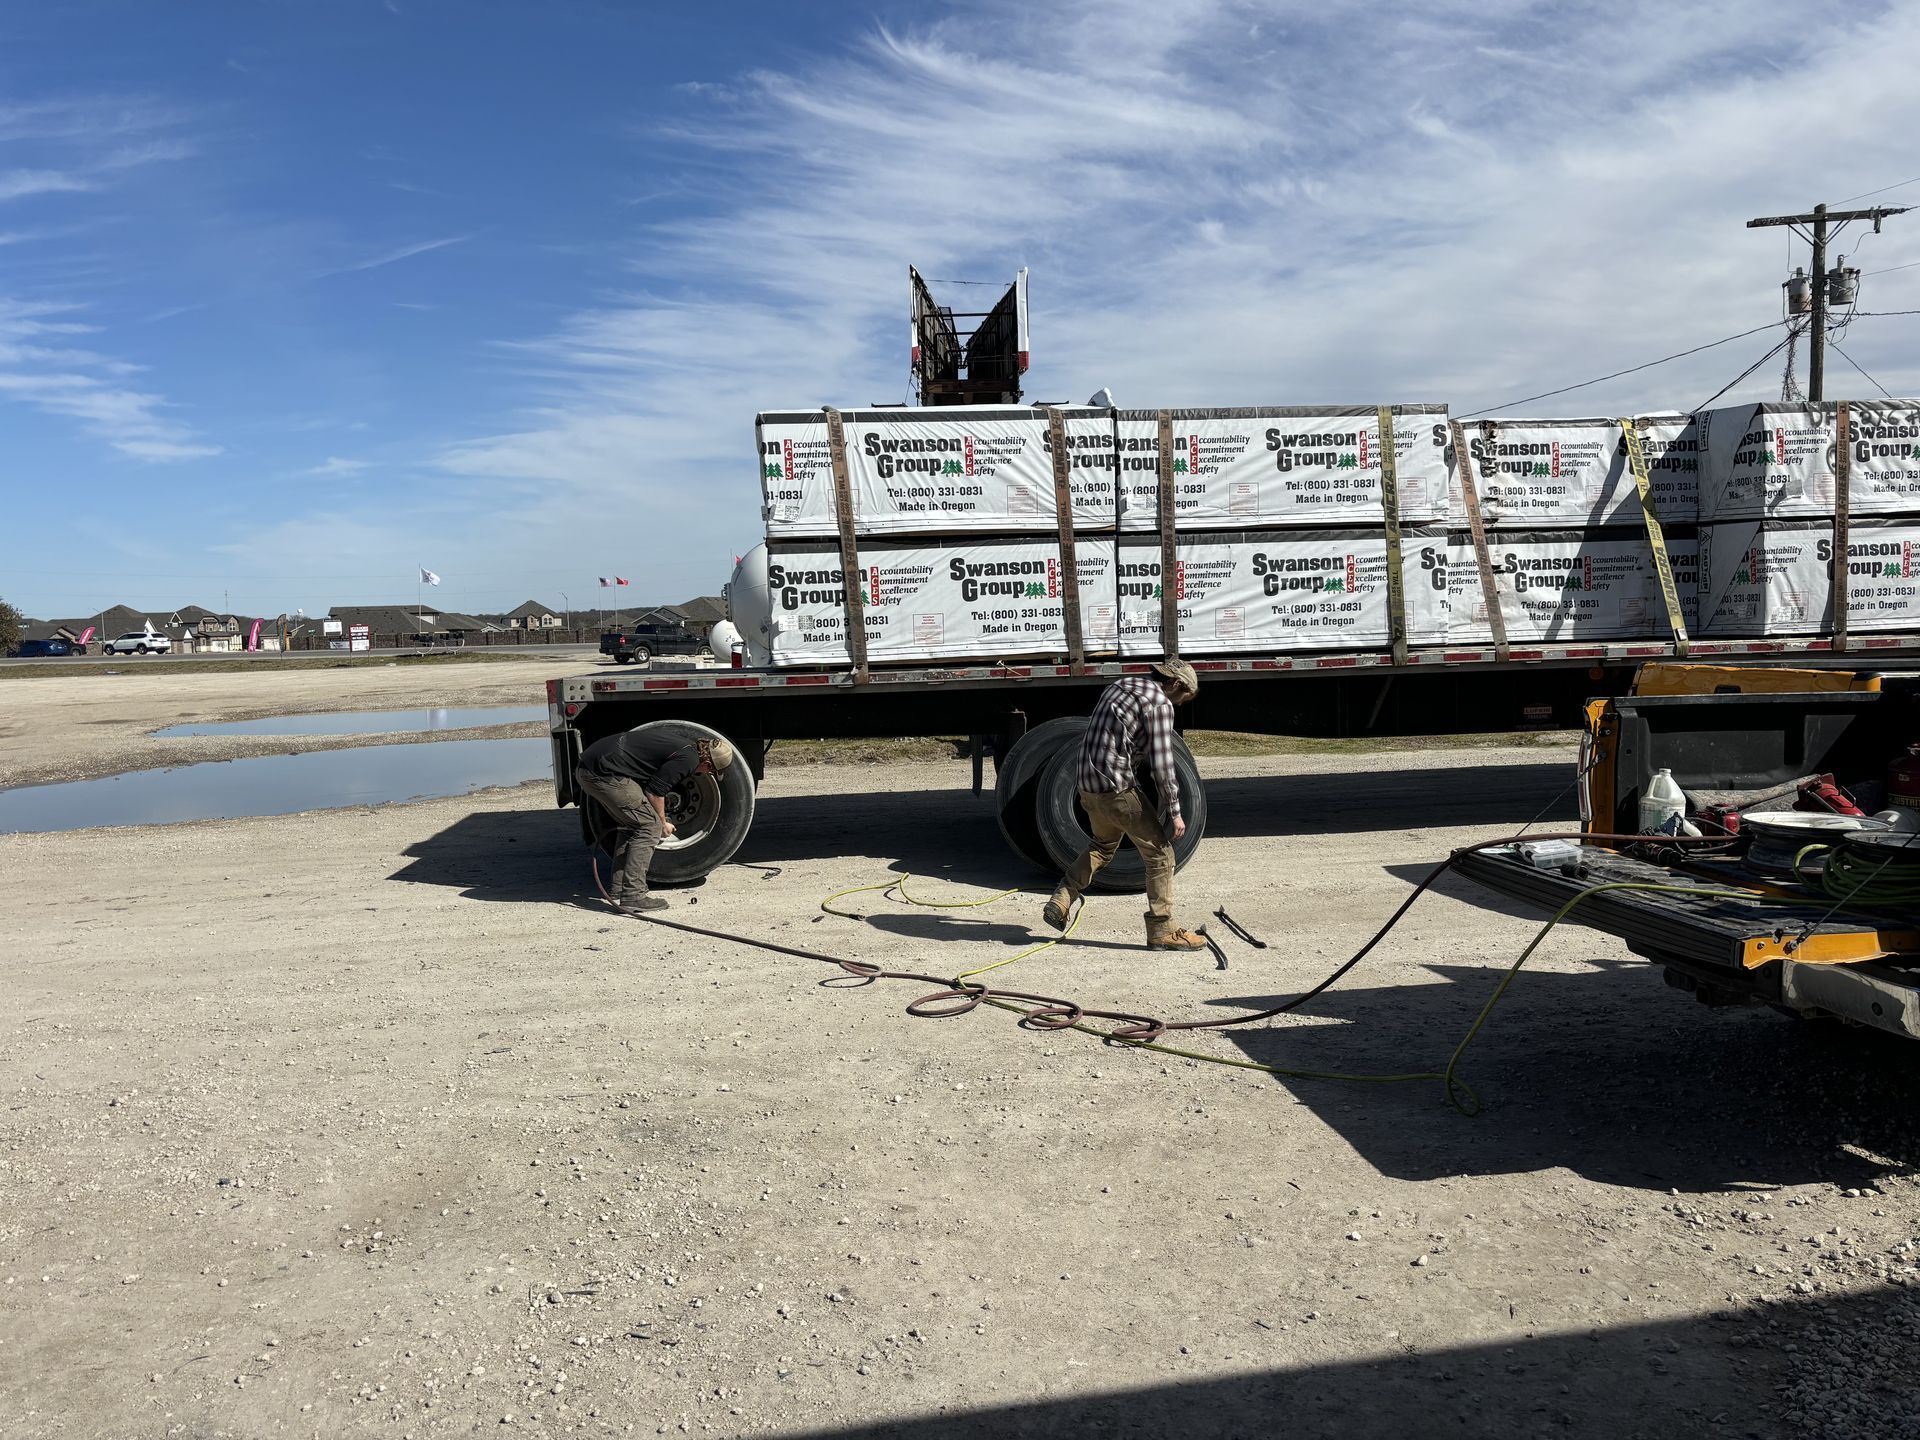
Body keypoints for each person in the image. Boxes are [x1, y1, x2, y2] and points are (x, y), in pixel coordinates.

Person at [1043, 659, 1207, 951]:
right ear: (1177, 684)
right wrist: (1175, 812)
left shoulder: (1121, 685)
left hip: (1086, 783)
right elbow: (1163, 765)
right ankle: (1162, 930)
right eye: (1185, 698)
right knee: (1161, 856)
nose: (1181, 705)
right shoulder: (1160, 704)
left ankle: (1064, 896)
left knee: (1103, 845)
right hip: (1115, 786)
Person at [575, 730, 735, 913]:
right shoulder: (689, 759)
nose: (707, 774)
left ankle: (619, 890)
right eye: (711, 771)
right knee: (649, 827)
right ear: (707, 763)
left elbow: (652, 784)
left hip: (590, 769)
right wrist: (662, 823)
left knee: (632, 826)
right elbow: (655, 791)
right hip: (603, 773)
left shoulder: (687, 748)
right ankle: (633, 896)